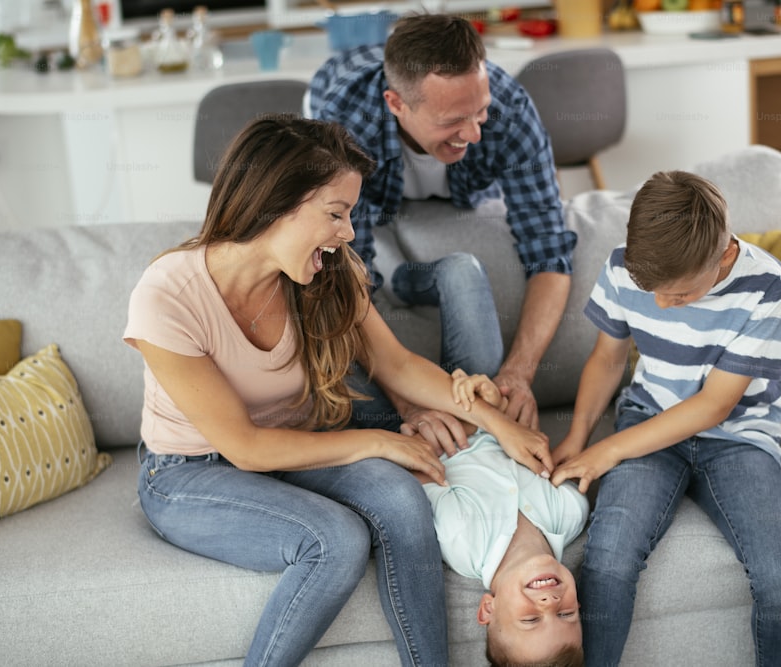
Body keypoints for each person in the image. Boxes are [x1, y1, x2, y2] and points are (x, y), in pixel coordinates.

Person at [123, 117, 553, 667]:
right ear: (278, 202)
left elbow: (395, 364)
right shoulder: (169, 294)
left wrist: (502, 425)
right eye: (335, 214)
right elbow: (246, 448)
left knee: (402, 495)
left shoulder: (327, 274)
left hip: (295, 445)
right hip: (190, 472)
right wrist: (375, 441)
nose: (348, 232)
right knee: (334, 540)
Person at [549, 171, 781, 665]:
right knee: (606, 562)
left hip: (737, 437)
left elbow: (714, 406)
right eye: (651, 292)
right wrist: (578, 435)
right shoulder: (623, 267)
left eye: (680, 296)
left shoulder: (768, 287)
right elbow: (608, 359)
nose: (661, 306)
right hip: (649, 418)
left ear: (723, 257)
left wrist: (604, 451)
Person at [307, 13, 578, 454]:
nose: (474, 132)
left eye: (480, 111)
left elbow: (550, 253)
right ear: (396, 104)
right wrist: (410, 404)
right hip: (339, 102)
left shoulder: (506, 109)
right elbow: (343, 277)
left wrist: (518, 375)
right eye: (454, 119)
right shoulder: (343, 122)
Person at [415, 369, 587, 667]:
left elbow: (418, 456)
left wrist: (477, 415)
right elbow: (531, 443)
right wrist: (496, 406)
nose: (549, 603)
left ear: (488, 610)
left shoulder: (463, 541)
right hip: (483, 391)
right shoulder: (570, 512)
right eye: (565, 614)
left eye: (530, 619)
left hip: (431, 399)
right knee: (484, 344)